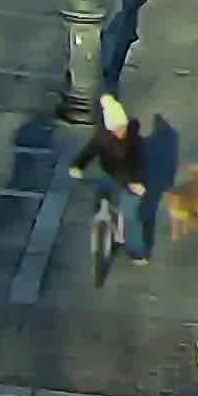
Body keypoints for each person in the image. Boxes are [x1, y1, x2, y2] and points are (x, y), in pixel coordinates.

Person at [72, 94, 151, 280]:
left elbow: (139, 163)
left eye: (123, 126)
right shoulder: (103, 136)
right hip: (108, 173)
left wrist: (138, 183)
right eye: (117, 128)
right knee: (101, 197)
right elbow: (89, 151)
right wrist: (77, 165)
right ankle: (102, 226)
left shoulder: (133, 140)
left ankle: (136, 250)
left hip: (130, 178)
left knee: (131, 215)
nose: (121, 130)